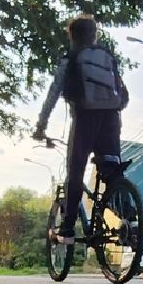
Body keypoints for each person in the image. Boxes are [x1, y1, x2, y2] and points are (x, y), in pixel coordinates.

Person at [32, 15, 127, 246]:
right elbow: (122, 93)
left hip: (84, 120)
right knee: (113, 172)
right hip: (111, 120)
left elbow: (54, 93)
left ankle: (66, 230)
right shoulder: (107, 57)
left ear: (72, 36)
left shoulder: (70, 58)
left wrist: (41, 125)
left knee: (75, 172)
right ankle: (130, 220)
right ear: (94, 35)